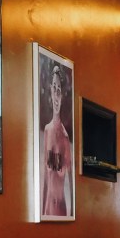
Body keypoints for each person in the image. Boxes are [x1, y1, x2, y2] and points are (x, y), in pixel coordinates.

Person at [40, 61, 73, 218]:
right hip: (47, 209)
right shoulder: (47, 130)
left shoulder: (65, 137)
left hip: (60, 209)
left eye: (59, 89)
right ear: (50, 92)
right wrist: (42, 211)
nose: (56, 94)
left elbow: (71, 184)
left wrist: (71, 214)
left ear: (62, 94)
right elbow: (45, 178)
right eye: (54, 88)